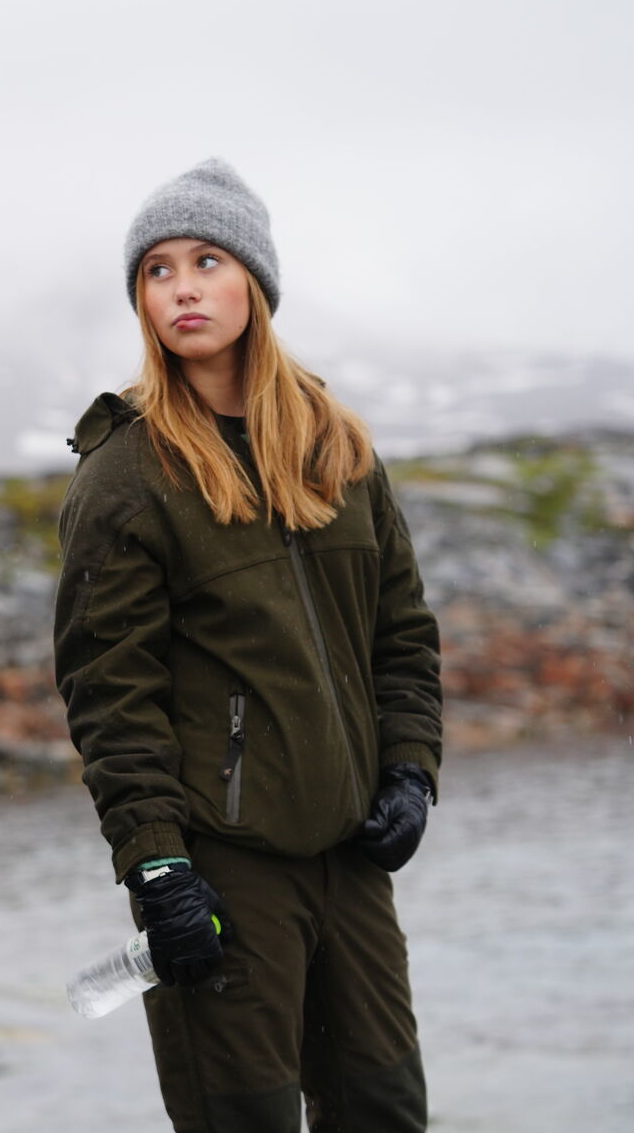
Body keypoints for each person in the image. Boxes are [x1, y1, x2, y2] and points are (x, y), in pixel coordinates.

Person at [53, 159, 442, 1132]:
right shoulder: (126, 472)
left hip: (354, 857)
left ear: (254, 282)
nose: (181, 288)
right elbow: (110, 696)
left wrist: (411, 770)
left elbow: (402, 634)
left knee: (387, 1110)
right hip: (223, 870)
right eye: (158, 270)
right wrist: (156, 867)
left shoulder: (336, 445)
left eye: (207, 261)